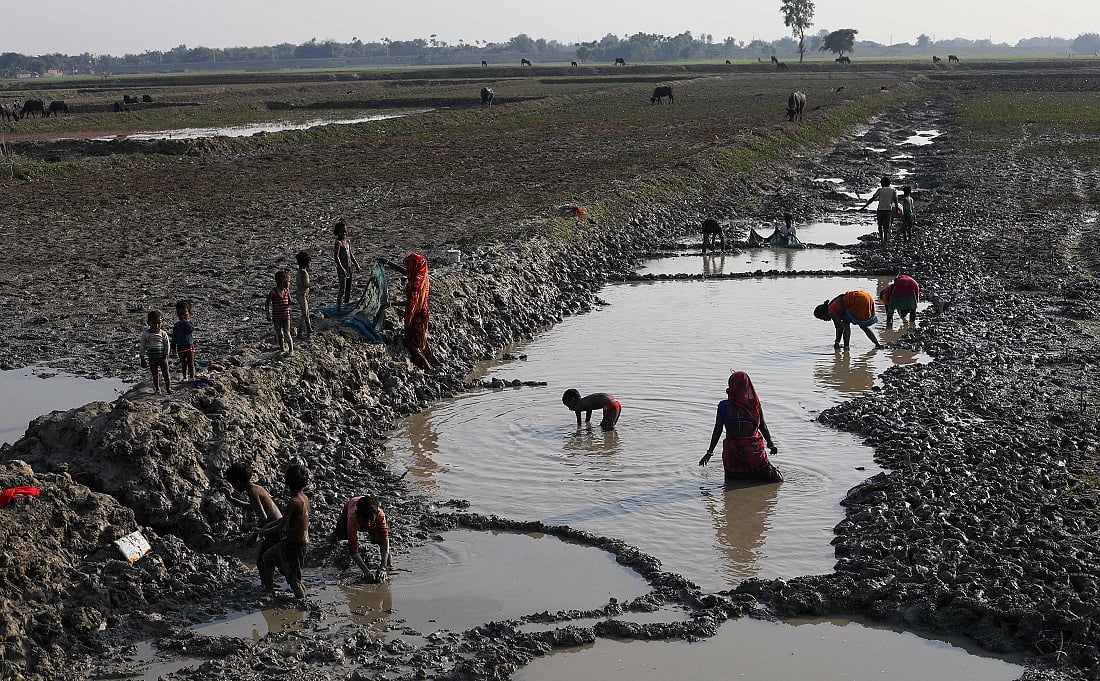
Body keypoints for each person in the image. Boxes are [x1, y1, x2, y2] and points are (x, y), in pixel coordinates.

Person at [699, 371, 782, 483]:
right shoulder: (754, 405)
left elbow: (717, 430)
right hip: (753, 453)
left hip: (732, 455)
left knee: (731, 485)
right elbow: (763, 426)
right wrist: (771, 445)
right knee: (775, 480)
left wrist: (709, 453)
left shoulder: (723, 406)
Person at [258, 463, 311, 599]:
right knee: (267, 557)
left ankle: (302, 602)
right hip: (297, 542)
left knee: (294, 580)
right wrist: (266, 528)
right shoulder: (304, 498)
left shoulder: (293, 502)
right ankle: (269, 591)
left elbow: (282, 526)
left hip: (295, 545)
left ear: (287, 483)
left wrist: (264, 532)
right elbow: (283, 520)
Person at [383, 254, 441, 371]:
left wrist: (391, 304)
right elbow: (407, 273)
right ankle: (434, 362)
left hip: (417, 314)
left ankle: (427, 367)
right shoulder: (421, 275)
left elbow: (411, 303)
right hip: (423, 311)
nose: (408, 268)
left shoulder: (416, 284)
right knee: (421, 339)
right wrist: (389, 263)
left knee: (412, 343)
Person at [225, 462, 283, 574]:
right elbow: (252, 507)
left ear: (238, 482)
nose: (234, 488)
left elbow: (263, 518)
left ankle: (269, 589)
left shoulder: (252, 492)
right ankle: (270, 587)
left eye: (233, 485)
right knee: (270, 561)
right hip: (277, 527)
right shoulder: (257, 488)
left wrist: (255, 535)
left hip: (274, 530)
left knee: (264, 562)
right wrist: (231, 499)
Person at [330, 495, 393, 583]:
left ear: (375, 515)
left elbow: (385, 540)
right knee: (337, 537)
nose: (368, 523)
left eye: (371, 519)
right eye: (365, 520)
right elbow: (353, 550)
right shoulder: (352, 519)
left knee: (379, 540)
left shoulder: (380, 515)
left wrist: (383, 567)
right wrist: (366, 571)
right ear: (358, 515)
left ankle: (388, 565)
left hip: (370, 515)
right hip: (349, 507)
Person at [814, 290, 883, 349]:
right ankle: (877, 344)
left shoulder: (831, 311)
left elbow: (839, 328)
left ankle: (846, 347)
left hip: (859, 300)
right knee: (862, 326)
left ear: (824, 313)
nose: (824, 320)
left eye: (822, 318)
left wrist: (836, 343)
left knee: (846, 323)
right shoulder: (833, 306)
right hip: (866, 296)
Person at [860, 175, 899, 247]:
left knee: (880, 226)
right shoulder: (893, 190)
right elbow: (896, 202)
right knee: (886, 228)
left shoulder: (880, 190)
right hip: (888, 211)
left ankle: (881, 240)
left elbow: (872, 199)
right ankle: (884, 243)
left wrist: (864, 207)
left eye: (881, 183)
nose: (881, 184)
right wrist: (897, 211)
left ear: (884, 183)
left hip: (880, 210)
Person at [139, 310, 172, 394]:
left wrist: (165, 355)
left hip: (162, 357)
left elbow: (167, 344)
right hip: (152, 358)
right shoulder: (146, 334)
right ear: (148, 323)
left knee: (166, 373)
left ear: (162, 322)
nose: (157, 325)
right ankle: (157, 389)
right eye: (154, 323)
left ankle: (168, 388)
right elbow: (142, 346)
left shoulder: (163, 333)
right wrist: (142, 358)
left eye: (159, 323)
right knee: (155, 374)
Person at [333, 220, 361, 312]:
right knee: (342, 289)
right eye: (341, 232)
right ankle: (338, 307)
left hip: (349, 268)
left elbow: (351, 254)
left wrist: (356, 264)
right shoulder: (338, 243)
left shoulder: (348, 241)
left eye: (345, 231)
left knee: (349, 288)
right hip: (342, 269)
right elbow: (336, 257)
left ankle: (346, 304)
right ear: (337, 232)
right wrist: (341, 268)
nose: (344, 234)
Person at [265, 270, 294, 357]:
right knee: (279, 333)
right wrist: (268, 314)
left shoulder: (286, 291)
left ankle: (291, 350)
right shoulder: (273, 292)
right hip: (276, 316)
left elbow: (289, 301)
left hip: (285, 315)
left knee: (287, 332)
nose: (289, 283)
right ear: (282, 281)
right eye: (288, 281)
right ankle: (282, 348)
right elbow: (267, 303)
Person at [171, 300, 196, 382]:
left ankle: (192, 377)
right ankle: (185, 377)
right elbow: (174, 337)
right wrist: (173, 347)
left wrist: (185, 322)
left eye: (185, 315)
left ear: (190, 314)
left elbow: (190, 330)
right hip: (180, 347)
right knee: (183, 363)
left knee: (190, 363)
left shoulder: (189, 323)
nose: (182, 317)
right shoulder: (176, 325)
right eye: (179, 315)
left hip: (189, 346)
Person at [294, 251, 312, 339]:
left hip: (301, 294)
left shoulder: (299, 271)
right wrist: (317, 281)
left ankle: (309, 329)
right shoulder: (304, 273)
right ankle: (300, 332)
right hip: (302, 295)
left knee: (307, 313)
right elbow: (306, 285)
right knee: (304, 314)